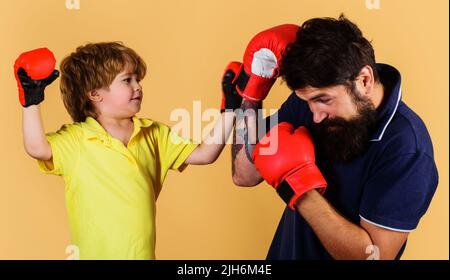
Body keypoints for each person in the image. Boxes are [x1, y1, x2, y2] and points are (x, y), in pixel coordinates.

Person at [230, 15, 439, 260]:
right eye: (308, 101)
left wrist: (299, 186)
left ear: (364, 81)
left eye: (324, 100)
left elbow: (374, 257)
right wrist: (251, 95)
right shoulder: (309, 103)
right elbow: (244, 174)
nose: (315, 117)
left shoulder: (407, 149)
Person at [16, 42, 242, 260]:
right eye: (127, 80)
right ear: (94, 94)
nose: (138, 86)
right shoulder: (77, 139)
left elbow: (205, 154)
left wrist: (230, 109)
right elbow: (37, 147)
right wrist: (31, 101)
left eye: (137, 79)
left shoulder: (154, 133)